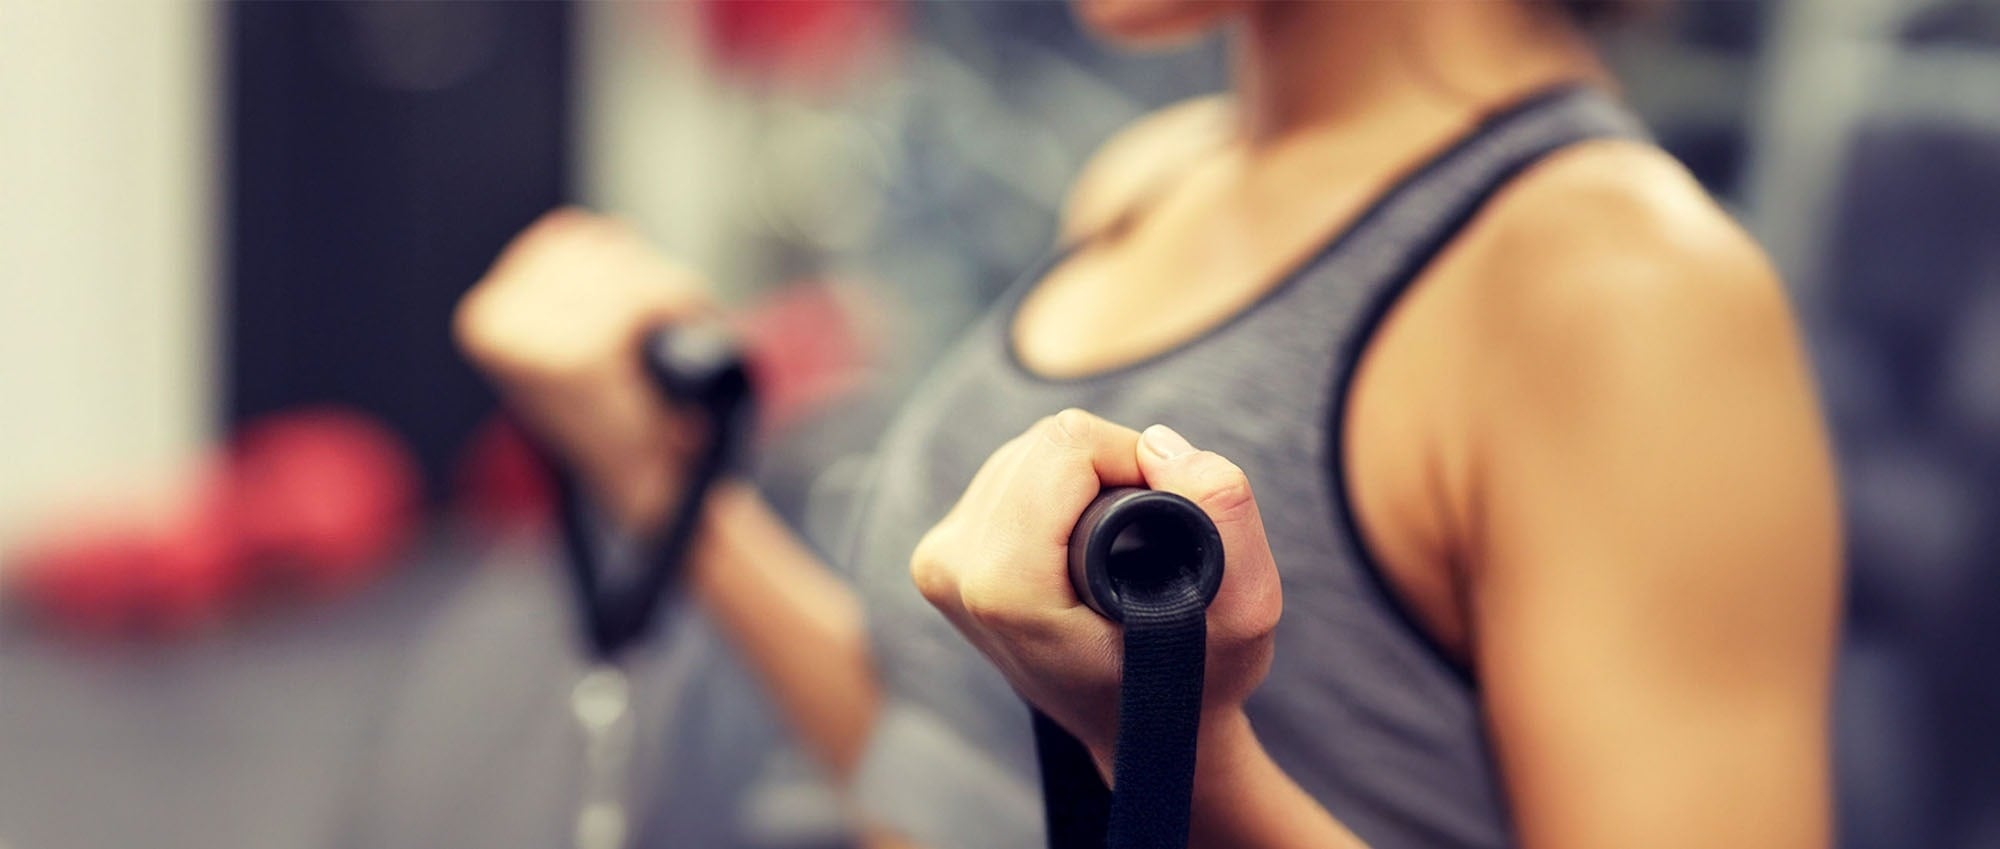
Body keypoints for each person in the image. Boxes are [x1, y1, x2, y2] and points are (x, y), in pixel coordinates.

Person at [453, 1, 1841, 847]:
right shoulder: (1152, 184)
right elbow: (955, 764)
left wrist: (1179, 744)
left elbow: (1120, 752)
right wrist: (663, 481)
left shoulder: (1621, 286)